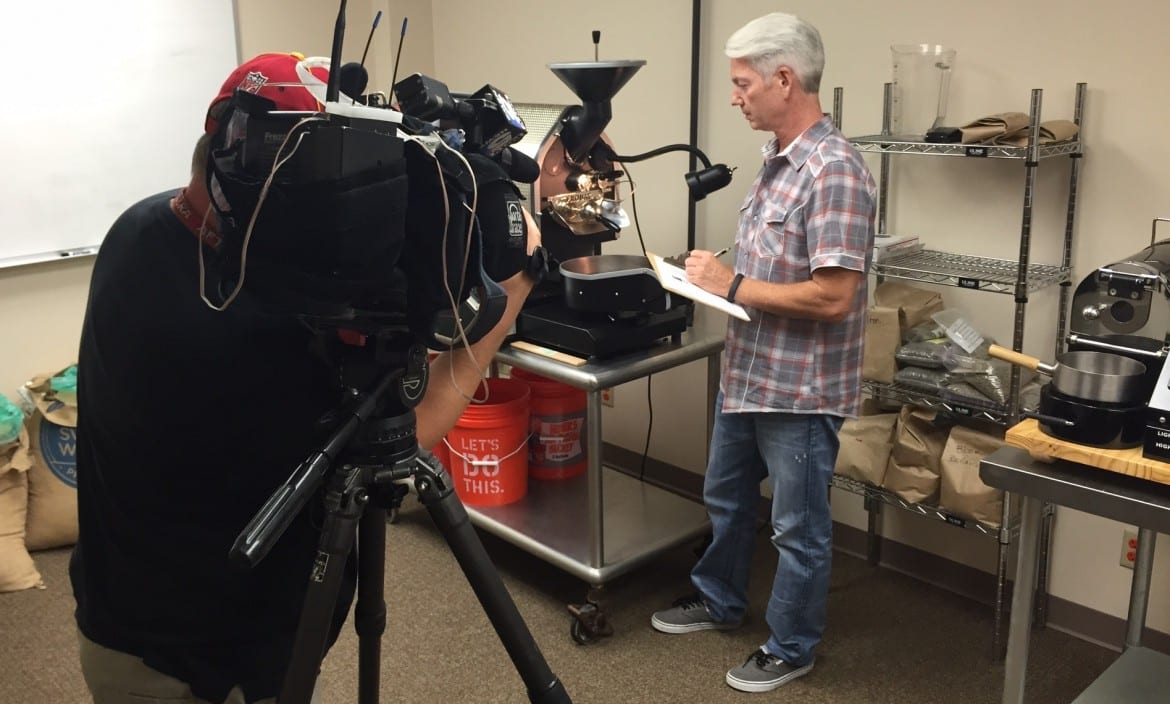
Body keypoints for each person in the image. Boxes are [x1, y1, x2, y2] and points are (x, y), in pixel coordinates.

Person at [70, 52, 545, 704]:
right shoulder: (259, 317)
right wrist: (511, 292)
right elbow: (408, 434)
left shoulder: (143, 229)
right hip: (208, 664)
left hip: (119, 616)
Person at [649, 13, 876, 694]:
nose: (734, 96)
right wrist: (708, 276)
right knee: (725, 497)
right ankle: (720, 600)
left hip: (800, 391)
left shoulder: (834, 171)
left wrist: (735, 283)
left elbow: (834, 297)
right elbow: (776, 268)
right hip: (747, 375)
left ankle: (793, 645)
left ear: (785, 79)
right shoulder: (778, 163)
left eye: (743, 83)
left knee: (798, 528)